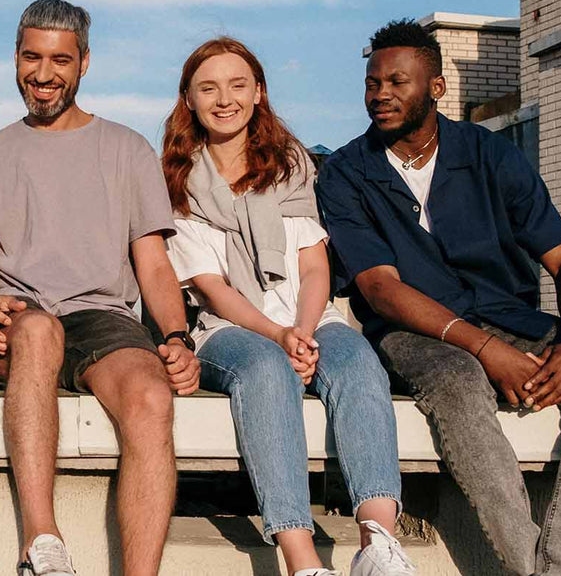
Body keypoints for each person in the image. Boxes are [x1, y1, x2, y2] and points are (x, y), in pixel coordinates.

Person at [316, 19, 561, 576]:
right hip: (411, 330)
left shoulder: (492, 155)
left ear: (436, 88)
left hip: (507, 315)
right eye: (373, 84)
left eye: (398, 82)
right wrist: (488, 351)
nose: (381, 95)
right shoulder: (346, 172)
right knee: (458, 380)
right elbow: (381, 288)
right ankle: (531, 567)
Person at [0, 0, 197, 576]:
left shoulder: (127, 148)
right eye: (31, 57)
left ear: (84, 63)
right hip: (19, 316)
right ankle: (43, 547)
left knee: (150, 396)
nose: (43, 75)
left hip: (100, 316)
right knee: (37, 329)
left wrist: (176, 336)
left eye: (59, 60)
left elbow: (155, 265)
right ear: (15, 58)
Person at [160, 38, 414, 576]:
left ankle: (378, 542)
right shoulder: (178, 178)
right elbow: (210, 288)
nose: (224, 99)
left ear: (259, 93)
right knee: (266, 369)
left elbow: (315, 264)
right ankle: (301, 560)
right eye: (208, 88)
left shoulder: (291, 162)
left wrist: (303, 328)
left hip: (307, 313)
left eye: (237, 85)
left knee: (357, 363)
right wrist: (279, 337)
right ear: (189, 99)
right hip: (227, 326)